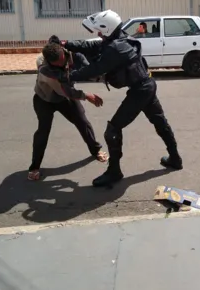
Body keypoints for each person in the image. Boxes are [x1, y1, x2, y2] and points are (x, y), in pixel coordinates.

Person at [61, 10, 182, 187]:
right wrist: (67, 44)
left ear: (108, 29)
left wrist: (69, 77)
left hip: (140, 90)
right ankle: (175, 158)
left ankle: (114, 172)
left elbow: (95, 69)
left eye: (101, 31)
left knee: (112, 129)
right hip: (146, 84)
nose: (100, 35)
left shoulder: (116, 48)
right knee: (160, 122)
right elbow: (92, 46)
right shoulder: (119, 38)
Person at [29, 41, 108, 181]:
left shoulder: (70, 53)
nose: (62, 64)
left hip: (65, 98)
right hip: (45, 99)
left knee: (83, 122)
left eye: (62, 60)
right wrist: (86, 95)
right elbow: (65, 90)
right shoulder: (44, 67)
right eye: (57, 64)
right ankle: (34, 167)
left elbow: (85, 65)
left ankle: (95, 150)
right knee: (43, 130)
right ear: (49, 61)